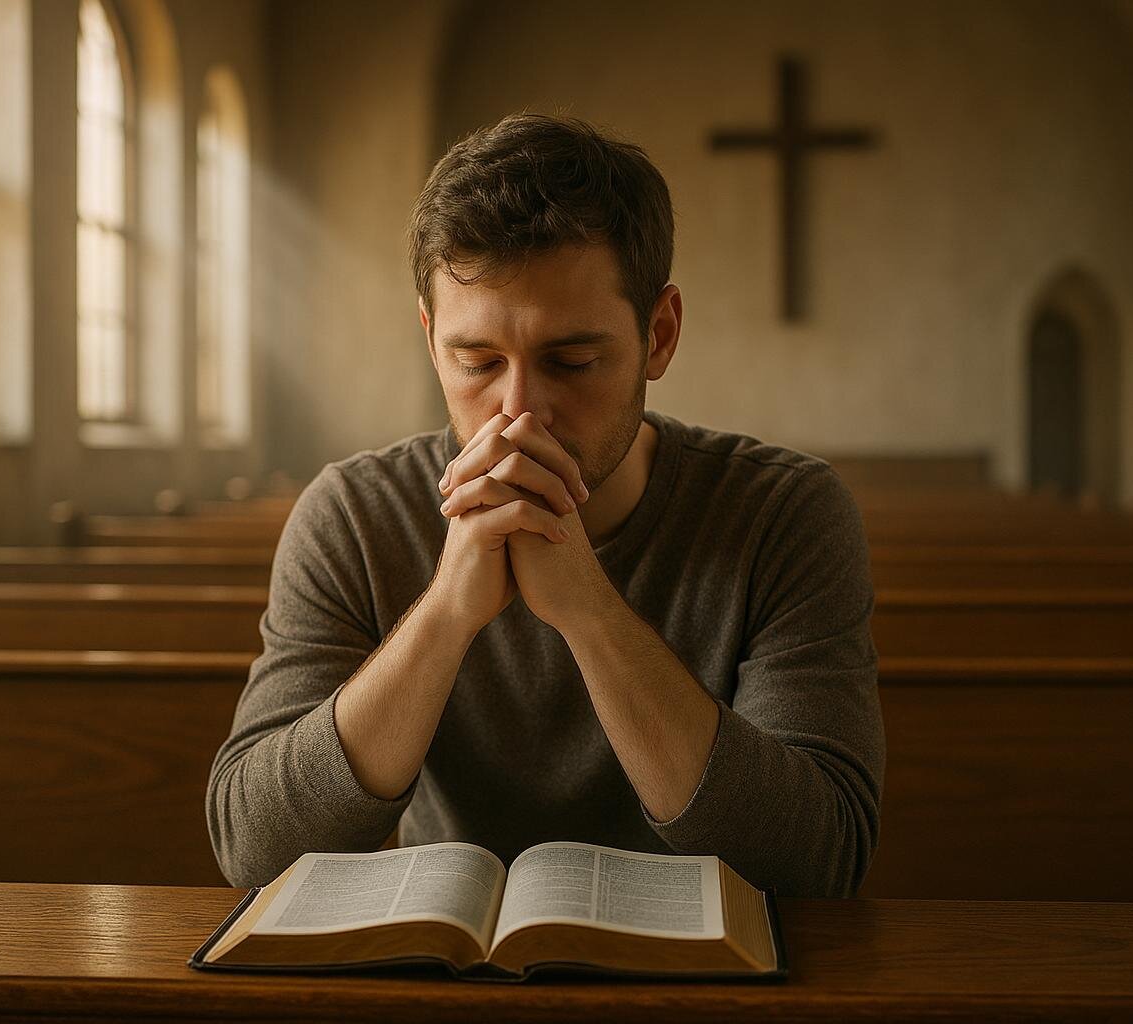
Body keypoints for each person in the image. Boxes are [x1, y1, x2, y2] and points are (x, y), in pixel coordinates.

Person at [206, 113, 884, 897]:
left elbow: (818, 864)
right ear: (431, 340)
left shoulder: (786, 514)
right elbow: (254, 852)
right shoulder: (353, 514)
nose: (518, 414)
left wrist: (589, 611)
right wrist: (445, 615)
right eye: (478, 361)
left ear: (658, 335)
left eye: (572, 360)